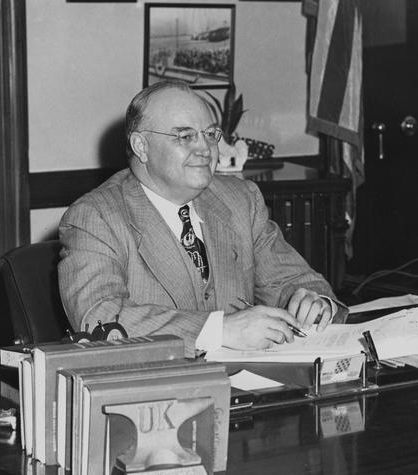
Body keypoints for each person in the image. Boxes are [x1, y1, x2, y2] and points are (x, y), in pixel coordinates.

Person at [58, 80, 347, 357]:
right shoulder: (95, 217)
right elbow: (98, 319)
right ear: (141, 146)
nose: (205, 149)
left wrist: (313, 302)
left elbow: (291, 280)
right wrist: (219, 330)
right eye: (185, 136)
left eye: (210, 135)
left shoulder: (240, 200)